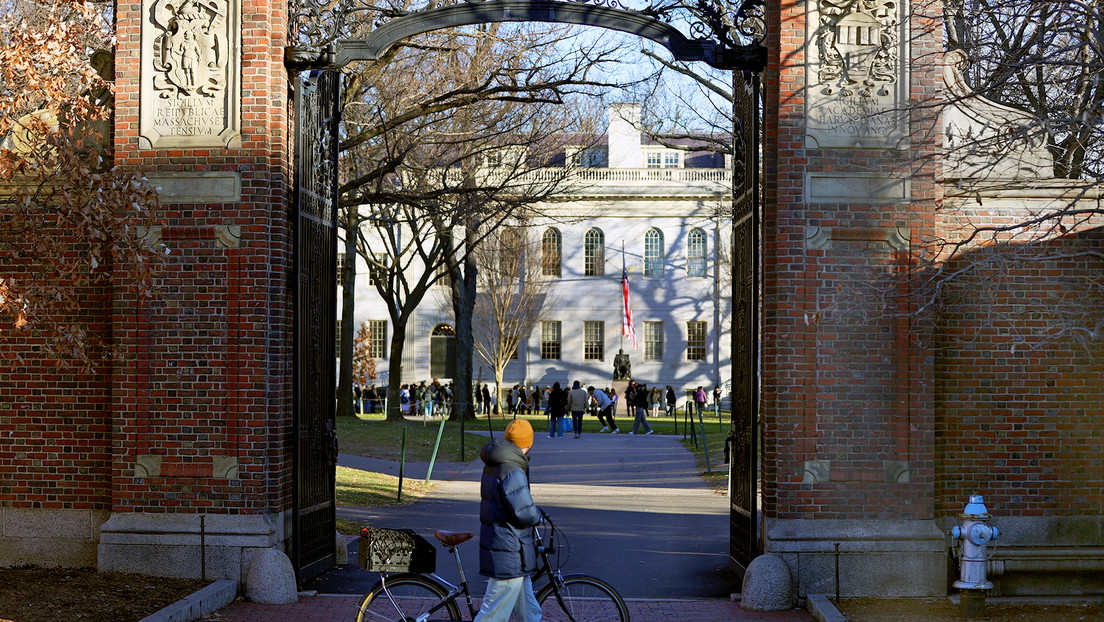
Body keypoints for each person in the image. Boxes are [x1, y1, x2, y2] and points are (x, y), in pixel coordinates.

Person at [474, 419, 544, 622]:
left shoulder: (497, 462)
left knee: (529, 613)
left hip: (508, 547)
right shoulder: (512, 469)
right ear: (528, 443)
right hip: (510, 549)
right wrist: (537, 515)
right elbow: (523, 511)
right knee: (493, 615)